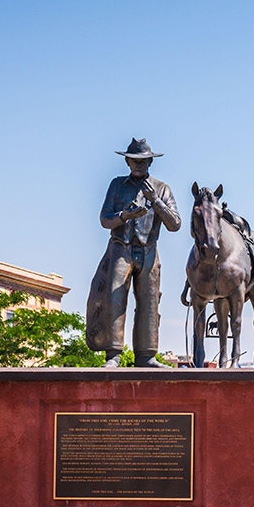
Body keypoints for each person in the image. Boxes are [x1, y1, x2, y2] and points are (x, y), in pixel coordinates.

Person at [86, 138, 182, 367]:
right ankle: (113, 354)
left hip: (148, 249)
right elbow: (104, 219)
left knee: (150, 301)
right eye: (135, 161)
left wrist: (156, 202)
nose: (139, 165)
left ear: (150, 162)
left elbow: (175, 223)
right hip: (121, 247)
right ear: (127, 161)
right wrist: (124, 216)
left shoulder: (161, 188)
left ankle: (146, 355)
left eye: (144, 161)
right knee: (114, 297)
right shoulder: (117, 185)